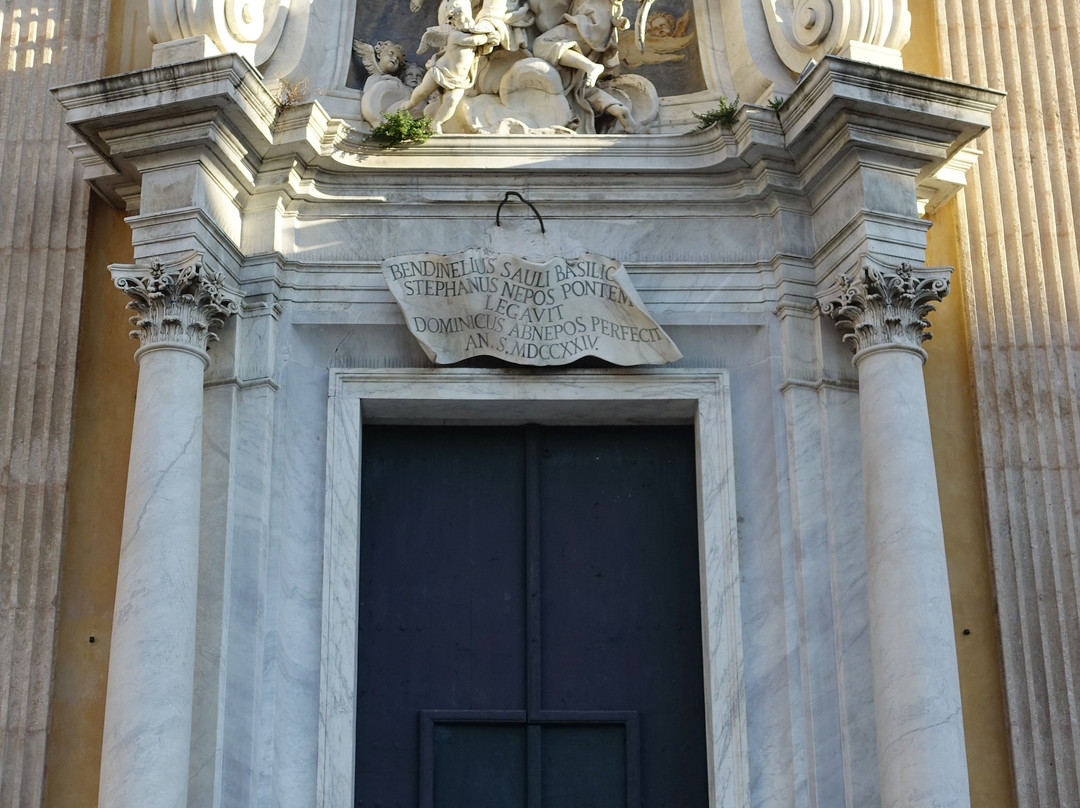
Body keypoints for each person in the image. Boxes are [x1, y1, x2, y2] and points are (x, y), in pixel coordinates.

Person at [401, 0, 490, 132]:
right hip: (440, 71)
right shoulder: (455, 35)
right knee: (422, 91)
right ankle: (409, 104)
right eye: (459, 19)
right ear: (453, 22)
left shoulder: (471, 32)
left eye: (465, 17)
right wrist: (488, 33)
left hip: (458, 80)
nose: (463, 21)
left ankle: (437, 122)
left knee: (451, 102)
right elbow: (477, 40)